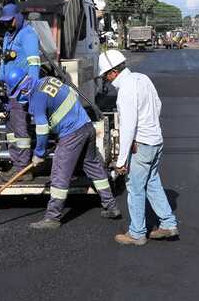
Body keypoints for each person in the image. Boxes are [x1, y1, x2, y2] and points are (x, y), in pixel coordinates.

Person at [16, 71, 121, 230]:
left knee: (59, 174)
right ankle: (111, 206)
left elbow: (42, 130)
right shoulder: (47, 80)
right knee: (93, 166)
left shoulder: (36, 98)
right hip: (87, 126)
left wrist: (38, 153)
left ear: (23, 90)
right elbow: (68, 97)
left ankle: (52, 217)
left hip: (71, 134)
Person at [97, 49, 178, 246]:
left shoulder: (125, 89)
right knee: (152, 182)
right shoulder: (142, 78)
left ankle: (137, 233)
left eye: (106, 76)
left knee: (134, 188)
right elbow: (157, 105)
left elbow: (128, 126)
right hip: (155, 140)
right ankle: (168, 224)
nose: (106, 81)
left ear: (113, 72)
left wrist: (121, 160)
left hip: (140, 144)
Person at [0, 3, 40, 182]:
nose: (7, 24)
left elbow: (35, 64)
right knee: (11, 129)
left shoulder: (28, 35)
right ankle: (16, 163)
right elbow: (5, 62)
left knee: (20, 130)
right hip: (9, 90)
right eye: (4, 21)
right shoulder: (8, 35)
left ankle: (23, 169)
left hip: (21, 91)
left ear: (18, 17)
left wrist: (30, 90)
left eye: (10, 21)